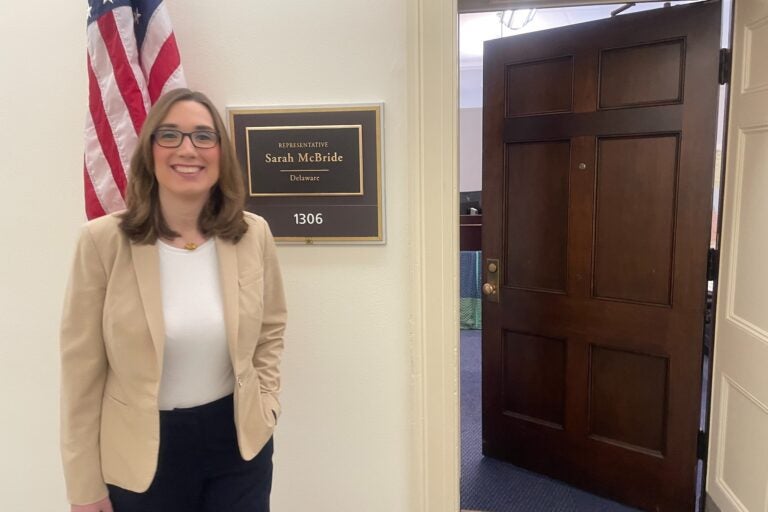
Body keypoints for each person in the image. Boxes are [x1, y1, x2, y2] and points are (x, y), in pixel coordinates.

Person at [60, 88, 286, 512]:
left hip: (239, 444)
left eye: (204, 136)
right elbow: (80, 377)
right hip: (141, 454)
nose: (188, 149)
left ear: (221, 152)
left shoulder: (253, 233)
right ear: (150, 151)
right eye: (170, 136)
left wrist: (268, 403)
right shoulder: (102, 242)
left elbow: (271, 329)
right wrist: (84, 489)